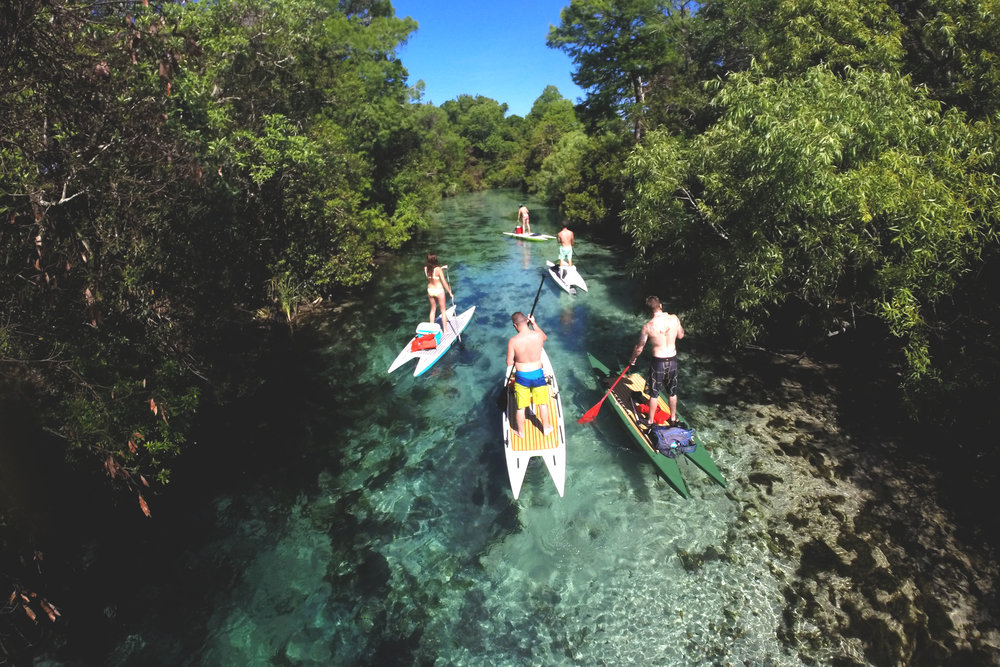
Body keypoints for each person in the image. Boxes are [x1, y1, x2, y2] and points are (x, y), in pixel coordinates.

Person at [628, 296, 685, 426]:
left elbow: (639, 348)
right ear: (661, 305)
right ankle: (673, 418)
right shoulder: (674, 319)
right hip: (672, 360)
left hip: (658, 362)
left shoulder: (648, 327)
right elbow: (681, 335)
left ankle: (649, 420)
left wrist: (633, 359)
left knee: (654, 394)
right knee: (672, 391)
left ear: (649, 311)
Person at [506, 311, 552, 437]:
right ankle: (546, 428)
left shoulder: (513, 341)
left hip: (522, 377)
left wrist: (517, 358)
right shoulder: (537, 335)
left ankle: (520, 432)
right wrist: (534, 323)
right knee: (542, 404)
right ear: (527, 321)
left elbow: (509, 362)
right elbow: (545, 337)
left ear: (515, 325)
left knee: (520, 407)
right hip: (538, 375)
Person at [424, 254, 453, 332]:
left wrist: (442, 267)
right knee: (443, 311)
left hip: (430, 290)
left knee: (433, 309)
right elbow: (444, 282)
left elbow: (433, 270)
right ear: (435, 260)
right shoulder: (438, 270)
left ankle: (431, 329)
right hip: (439, 291)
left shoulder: (426, 269)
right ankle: (445, 330)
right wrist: (450, 292)